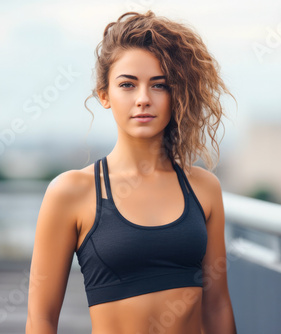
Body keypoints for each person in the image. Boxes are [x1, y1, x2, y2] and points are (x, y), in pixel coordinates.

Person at [26, 10, 237, 334]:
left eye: (159, 85)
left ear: (176, 94)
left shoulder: (204, 188)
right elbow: (41, 319)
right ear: (105, 95)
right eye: (128, 84)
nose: (143, 99)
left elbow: (218, 306)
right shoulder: (71, 191)